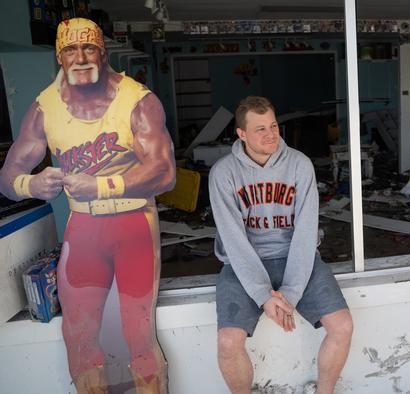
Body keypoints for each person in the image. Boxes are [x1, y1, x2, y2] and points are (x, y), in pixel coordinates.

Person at [0, 18, 175, 393]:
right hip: (83, 233)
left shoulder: (137, 99)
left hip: (133, 226)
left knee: (138, 334)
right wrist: (31, 183)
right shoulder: (45, 107)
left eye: (88, 48)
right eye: (70, 50)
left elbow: (164, 173)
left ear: (103, 52)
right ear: (59, 58)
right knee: (77, 334)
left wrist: (101, 185)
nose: (80, 58)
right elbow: (8, 176)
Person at [209, 96, 353, 394]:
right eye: (260, 128)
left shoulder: (299, 164)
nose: (271, 134)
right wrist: (264, 295)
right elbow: (234, 241)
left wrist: (291, 292)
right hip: (242, 263)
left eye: (273, 125)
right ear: (242, 134)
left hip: (296, 258)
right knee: (227, 342)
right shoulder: (223, 173)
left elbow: (305, 232)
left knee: (343, 325)